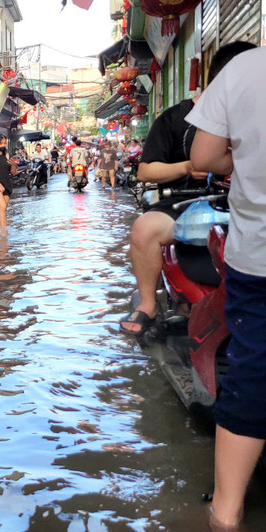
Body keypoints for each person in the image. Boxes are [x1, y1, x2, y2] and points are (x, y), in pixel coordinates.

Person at [119, 42, 256, 337]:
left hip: (242, 206)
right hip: (183, 204)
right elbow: (145, 171)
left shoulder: (254, 115)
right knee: (144, 229)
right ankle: (147, 304)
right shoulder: (172, 119)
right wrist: (185, 168)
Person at [187, 44, 265, 532]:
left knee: (253, 368)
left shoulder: (244, 71)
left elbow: (204, 157)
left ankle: (225, 512)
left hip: (257, 254)